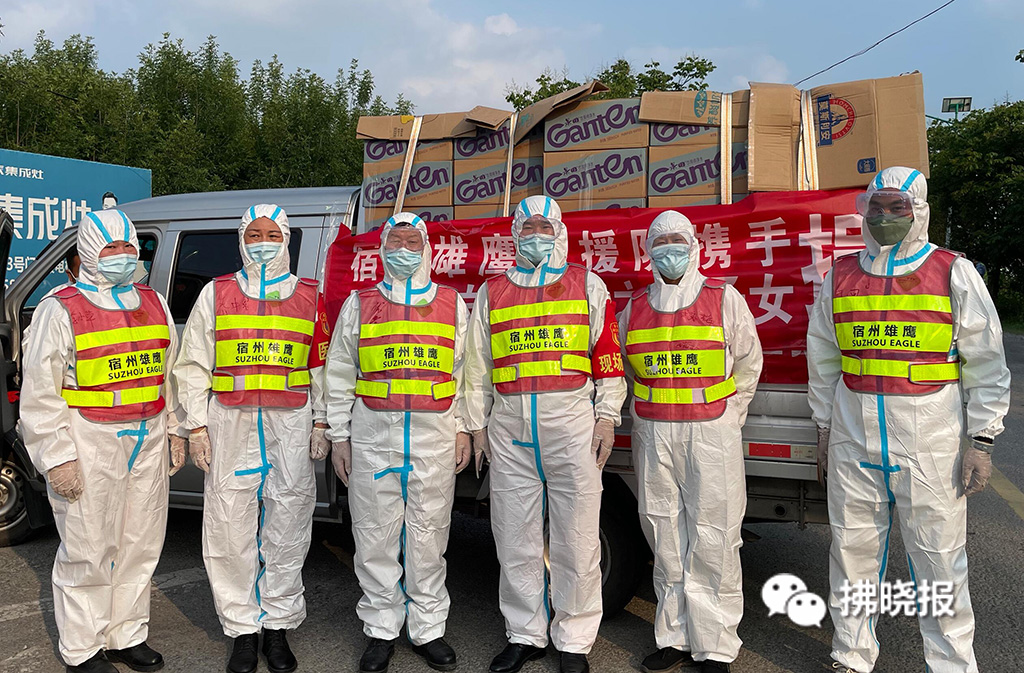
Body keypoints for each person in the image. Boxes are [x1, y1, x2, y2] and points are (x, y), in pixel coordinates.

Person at [806, 167, 1011, 673]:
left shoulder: (952, 271)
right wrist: (824, 428)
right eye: (875, 207)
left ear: (918, 209)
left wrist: (982, 439)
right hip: (853, 439)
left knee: (939, 559)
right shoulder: (841, 275)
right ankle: (851, 654)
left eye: (896, 207)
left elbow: (986, 362)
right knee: (851, 553)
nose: (884, 217)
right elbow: (824, 356)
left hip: (929, 442)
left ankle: (951, 663)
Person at [462, 195, 627, 673]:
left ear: (559, 232)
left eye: (545, 227)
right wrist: (476, 425)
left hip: (571, 425)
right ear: (515, 233)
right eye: (528, 227)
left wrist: (606, 416)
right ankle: (525, 634)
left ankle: (574, 640)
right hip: (510, 428)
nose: (536, 236)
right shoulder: (493, 292)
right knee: (515, 537)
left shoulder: (587, 285)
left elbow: (607, 355)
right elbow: (476, 366)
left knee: (577, 538)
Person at [21, 209, 186, 673]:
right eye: (111, 247)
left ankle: (126, 634)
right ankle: (83, 647)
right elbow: (39, 393)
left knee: (140, 541)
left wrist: (174, 428)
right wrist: (56, 457)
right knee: (88, 547)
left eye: (128, 246)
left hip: (147, 437)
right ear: (90, 252)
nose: (122, 255)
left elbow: (167, 374)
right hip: (89, 438)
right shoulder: (61, 308)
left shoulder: (153, 302)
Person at [173, 204, 329, 673]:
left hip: (290, 427)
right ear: (242, 239)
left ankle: (277, 625)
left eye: (272, 235)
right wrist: (195, 426)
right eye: (254, 234)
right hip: (231, 424)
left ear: (287, 240)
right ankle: (242, 629)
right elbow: (193, 363)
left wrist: (323, 422)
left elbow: (323, 366)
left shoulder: (310, 296)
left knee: (288, 526)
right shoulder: (216, 293)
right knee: (228, 527)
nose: (263, 243)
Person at [324, 212, 471, 673]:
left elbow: (467, 371)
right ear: (382, 249)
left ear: (426, 248)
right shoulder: (360, 303)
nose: (404, 250)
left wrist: (464, 427)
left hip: (433, 436)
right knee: (374, 536)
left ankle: (428, 629)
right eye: (395, 242)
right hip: (374, 437)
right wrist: (339, 436)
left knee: (430, 535)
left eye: (412, 242)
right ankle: (381, 629)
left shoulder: (450, 302)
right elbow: (339, 372)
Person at [620, 211, 762, 673]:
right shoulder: (635, 307)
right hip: (654, 434)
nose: (669, 249)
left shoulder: (723, 298)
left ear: (695, 244)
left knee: (714, 535)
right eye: (660, 241)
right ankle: (675, 637)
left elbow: (748, 362)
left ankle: (715, 645)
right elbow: (625, 368)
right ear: (648, 250)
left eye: (677, 240)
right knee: (663, 535)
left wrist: (731, 416)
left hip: (711, 434)